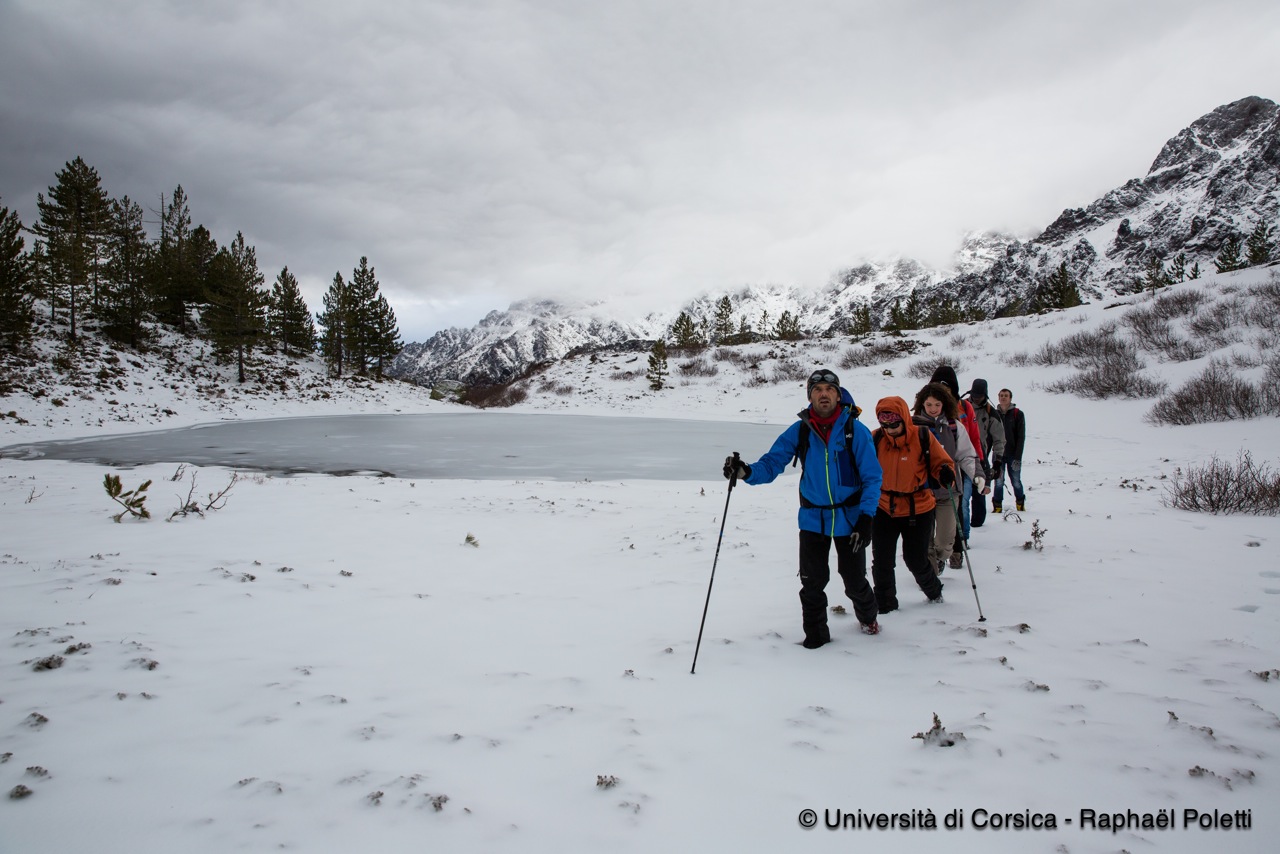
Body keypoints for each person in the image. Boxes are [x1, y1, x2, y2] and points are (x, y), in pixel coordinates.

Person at [723, 368, 884, 648]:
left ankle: (869, 618)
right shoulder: (800, 430)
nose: (824, 394)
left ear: (838, 395)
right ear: (810, 396)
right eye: (817, 390)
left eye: (829, 390)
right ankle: (816, 638)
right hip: (812, 518)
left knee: (854, 580)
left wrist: (866, 517)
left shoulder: (854, 431)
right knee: (812, 583)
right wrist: (746, 472)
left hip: (850, 519)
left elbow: (872, 478)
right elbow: (772, 463)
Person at [868, 396, 954, 613]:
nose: (889, 429)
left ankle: (934, 592)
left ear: (904, 419)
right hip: (884, 507)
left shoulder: (922, 436)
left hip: (919, 508)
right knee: (882, 561)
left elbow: (942, 462)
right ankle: (885, 606)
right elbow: (861, 466)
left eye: (894, 423)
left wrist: (945, 473)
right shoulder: (875, 439)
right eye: (884, 424)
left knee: (915, 559)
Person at [911, 383, 982, 576]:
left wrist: (977, 475)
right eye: (929, 405)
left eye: (937, 405)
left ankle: (940, 558)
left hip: (948, 492)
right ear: (922, 405)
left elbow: (966, 455)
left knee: (944, 542)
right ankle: (932, 582)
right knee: (925, 542)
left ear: (944, 405)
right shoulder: (913, 427)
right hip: (922, 493)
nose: (933, 409)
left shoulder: (954, 426)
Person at [929, 365, 982, 567]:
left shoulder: (962, 409)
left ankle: (956, 551)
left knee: (957, 511)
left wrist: (978, 466)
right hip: (926, 480)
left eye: (947, 387)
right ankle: (933, 560)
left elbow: (972, 439)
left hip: (956, 469)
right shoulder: (925, 408)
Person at [962, 378, 1005, 530]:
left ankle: (978, 523)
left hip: (981, 456)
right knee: (963, 493)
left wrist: (998, 462)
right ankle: (963, 522)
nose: (976, 398)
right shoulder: (961, 407)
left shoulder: (991, 412)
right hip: (960, 455)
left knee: (979, 488)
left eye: (979, 395)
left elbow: (999, 439)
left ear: (985, 394)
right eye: (974, 394)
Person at [993, 388, 1026, 512]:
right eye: (1001, 395)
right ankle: (997, 507)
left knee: (1016, 481)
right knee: (998, 481)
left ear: (1010, 398)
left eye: (1006, 395)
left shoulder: (1018, 414)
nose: (1003, 397)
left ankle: (1020, 503)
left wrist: (1018, 457)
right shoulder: (994, 414)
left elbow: (1021, 437)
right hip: (998, 454)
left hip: (1013, 454)